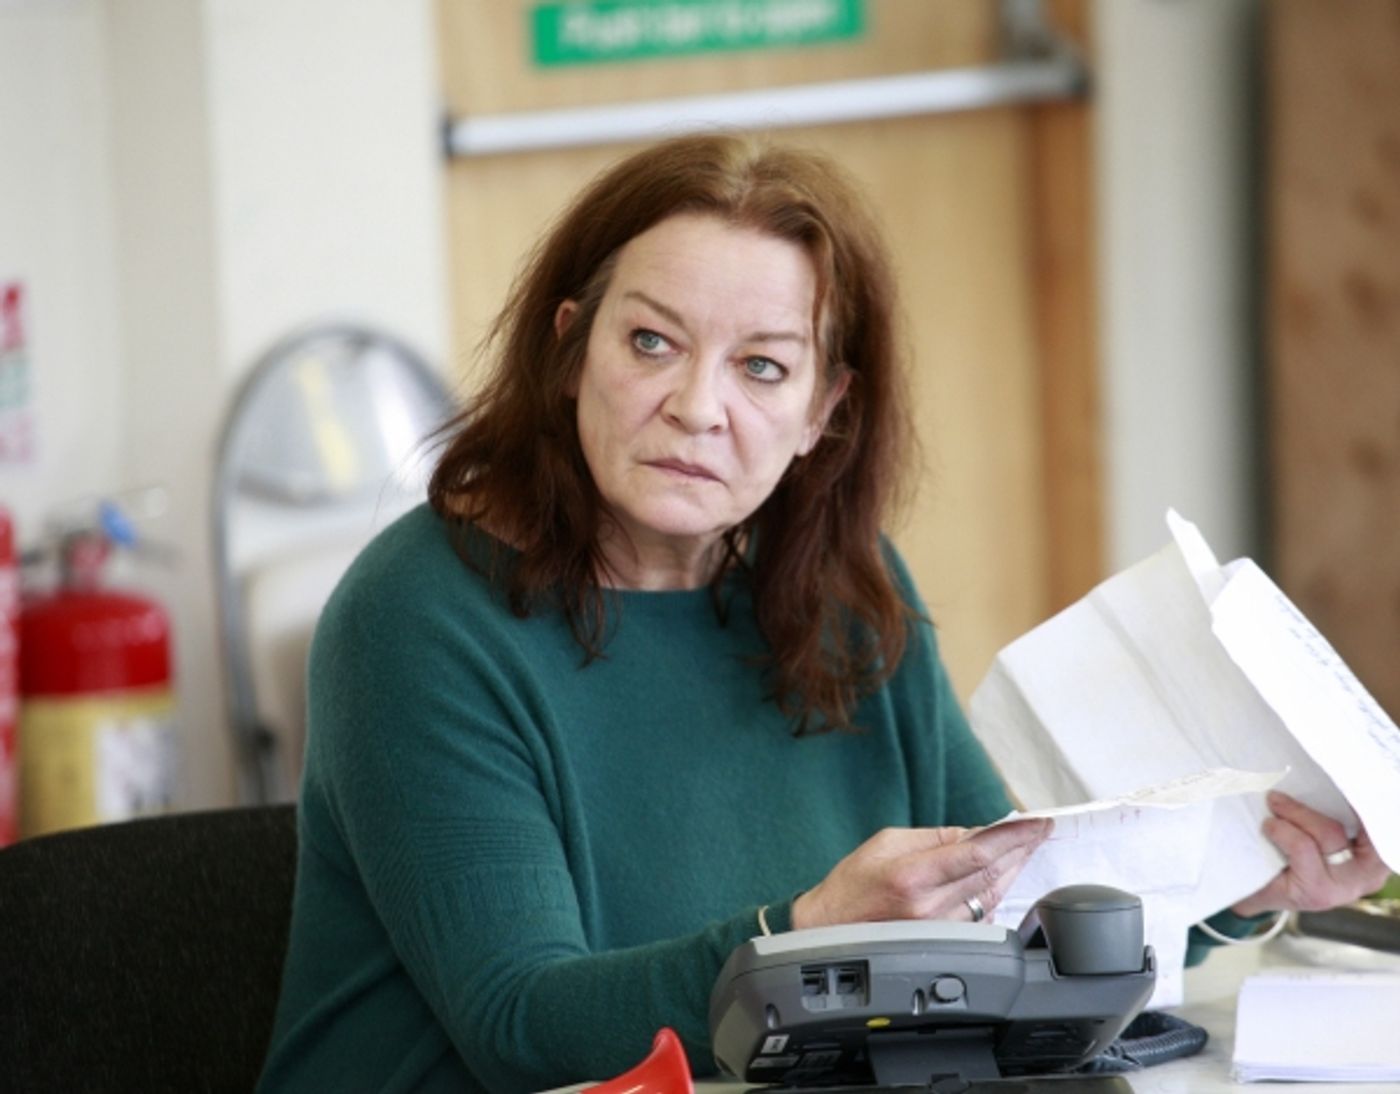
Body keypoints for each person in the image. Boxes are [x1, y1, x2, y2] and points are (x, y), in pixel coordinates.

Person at [257, 135, 1389, 1093]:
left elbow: (997, 931)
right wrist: (799, 933)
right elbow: (519, 1026)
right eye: (650, 341)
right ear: (568, 349)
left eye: (760, 366)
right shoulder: (415, 617)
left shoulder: (849, 591)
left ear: (822, 410)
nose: (695, 407)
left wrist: (1235, 894)